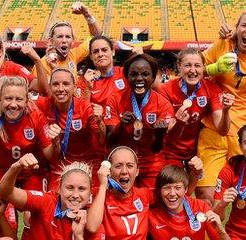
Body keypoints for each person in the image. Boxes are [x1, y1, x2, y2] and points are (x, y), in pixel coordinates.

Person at [199, 10, 246, 204]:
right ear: (237, 28)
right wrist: (214, 69)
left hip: (242, 133)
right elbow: (195, 70)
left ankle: (241, 234)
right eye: (244, 25)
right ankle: (210, 235)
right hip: (214, 127)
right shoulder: (222, 45)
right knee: (207, 197)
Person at [105, 54, 174, 189]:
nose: (139, 79)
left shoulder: (163, 105)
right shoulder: (114, 99)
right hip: (122, 162)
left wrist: (159, 135)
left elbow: (156, 148)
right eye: (134, 74)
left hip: (151, 163)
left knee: (151, 204)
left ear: (153, 77)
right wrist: (121, 126)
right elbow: (109, 141)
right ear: (126, 77)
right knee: (121, 204)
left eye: (145, 74)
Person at [0, 76, 54, 191]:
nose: (13, 104)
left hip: (32, 172)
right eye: (8, 98)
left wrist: (55, 142)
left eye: (19, 99)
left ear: (27, 100)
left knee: (34, 206)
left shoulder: (36, 116)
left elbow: (50, 156)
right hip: (2, 171)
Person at [159, 48, 233, 166]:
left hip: (196, 154)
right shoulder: (165, 91)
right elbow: (165, 131)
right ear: (179, 66)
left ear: (203, 67)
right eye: (187, 65)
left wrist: (225, 111)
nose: (192, 70)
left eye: (197, 65)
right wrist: (179, 123)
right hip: (168, 154)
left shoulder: (211, 89)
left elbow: (222, 130)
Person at [35, 68, 105, 190]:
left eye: (66, 84)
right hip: (59, 166)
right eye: (55, 84)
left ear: (74, 88)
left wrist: (100, 123)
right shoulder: (43, 104)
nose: (61, 89)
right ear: (50, 87)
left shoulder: (86, 108)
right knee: (55, 203)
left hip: (87, 164)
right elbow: (21, 99)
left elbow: (102, 141)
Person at [35, 2, 102, 81]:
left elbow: (96, 37)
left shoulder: (73, 55)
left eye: (68, 37)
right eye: (60, 36)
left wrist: (87, 15)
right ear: (51, 41)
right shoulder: (42, 65)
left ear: (73, 41)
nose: (64, 40)